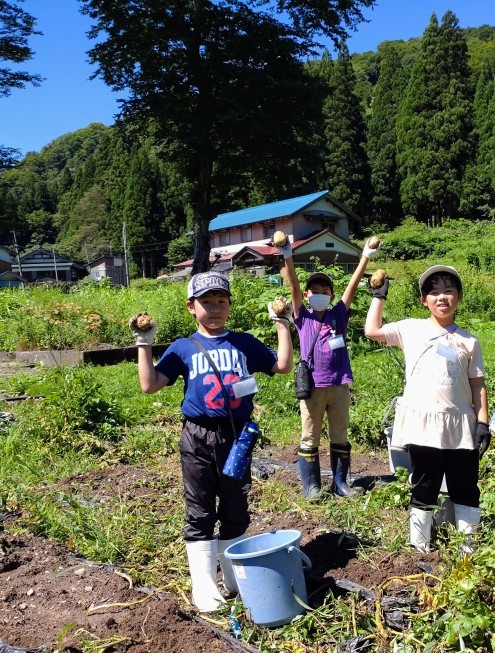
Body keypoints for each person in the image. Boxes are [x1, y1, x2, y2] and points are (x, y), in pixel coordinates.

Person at [129, 271, 293, 613]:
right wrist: (144, 344)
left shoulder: (244, 342)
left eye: (221, 301)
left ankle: (234, 579)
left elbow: (281, 366)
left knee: (235, 506)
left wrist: (282, 323)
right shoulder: (184, 347)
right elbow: (150, 385)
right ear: (191, 307)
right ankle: (204, 586)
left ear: (230, 305)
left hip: (236, 436)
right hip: (198, 436)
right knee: (200, 508)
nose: (214, 309)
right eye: (206, 302)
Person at [364, 265, 490, 553]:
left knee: (465, 487)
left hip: (460, 424)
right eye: (434, 292)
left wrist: (483, 423)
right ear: (424, 300)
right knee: (424, 484)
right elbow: (372, 330)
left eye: (448, 291)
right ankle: (419, 546)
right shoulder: (411, 328)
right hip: (423, 425)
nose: (441, 297)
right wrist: (378, 296)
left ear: (459, 297)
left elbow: (477, 386)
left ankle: (468, 550)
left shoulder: (469, 341)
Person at [273, 235, 379, 500]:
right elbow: (294, 286)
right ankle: (311, 486)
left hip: (339, 385)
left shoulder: (337, 316)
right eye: (314, 291)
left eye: (325, 291)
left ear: (330, 295)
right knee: (310, 436)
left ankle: (341, 483)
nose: (319, 294)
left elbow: (352, 287)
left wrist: (366, 255)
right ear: (307, 296)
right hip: (313, 387)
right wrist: (287, 253)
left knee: (339, 434)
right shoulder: (302, 316)